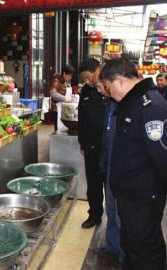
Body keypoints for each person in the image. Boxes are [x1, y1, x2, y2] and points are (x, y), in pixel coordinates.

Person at [101, 57, 167, 270]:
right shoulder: (131, 102)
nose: (110, 94)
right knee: (132, 247)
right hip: (130, 197)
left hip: (144, 198)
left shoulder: (151, 106)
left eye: (110, 88)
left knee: (147, 251)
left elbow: (162, 158)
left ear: (120, 80)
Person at [96, 78, 123, 265]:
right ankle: (112, 247)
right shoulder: (109, 104)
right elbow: (106, 137)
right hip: (109, 165)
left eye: (101, 85)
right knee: (111, 210)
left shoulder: (125, 105)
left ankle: (123, 254)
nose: (100, 89)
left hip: (122, 169)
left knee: (121, 214)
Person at [78, 58, 107, 229]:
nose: (88, 82)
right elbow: (82, 118)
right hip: (90, 148)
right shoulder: (86, 91)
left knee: (109, 186)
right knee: (93, 184)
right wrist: (82, 142)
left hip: (107, 148)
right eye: (85, 79)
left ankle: (114, 219)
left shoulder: (108, 88)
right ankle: (94, 215)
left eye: (89, 77)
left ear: (98, 70)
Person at [50, 65, 74, 132]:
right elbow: (53, 93)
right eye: (69, 75)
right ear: (64, 74)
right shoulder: (56, 81)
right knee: (58, 128)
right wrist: (64, 98)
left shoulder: (66, 82)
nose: (71, 78)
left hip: (63, 109)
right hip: (57, 109)